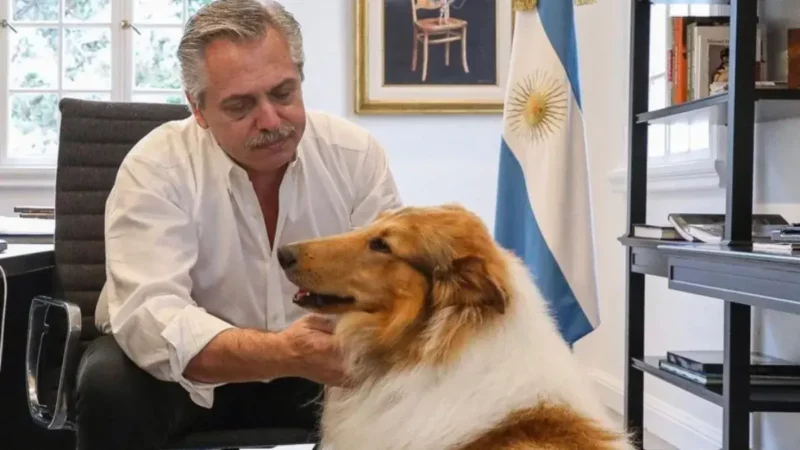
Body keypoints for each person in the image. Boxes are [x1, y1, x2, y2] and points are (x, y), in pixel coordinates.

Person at [75, 1, 402, 449]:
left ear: (300, 78)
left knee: (409, 380)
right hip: (193, 372)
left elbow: (390, 283)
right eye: (240, 105)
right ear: (198, 109)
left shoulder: (354, 155)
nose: (270, 121)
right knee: (109, 383)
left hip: (320, 365)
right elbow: (152, 317)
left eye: (283, 94)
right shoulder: (156, 168)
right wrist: (282, 352)